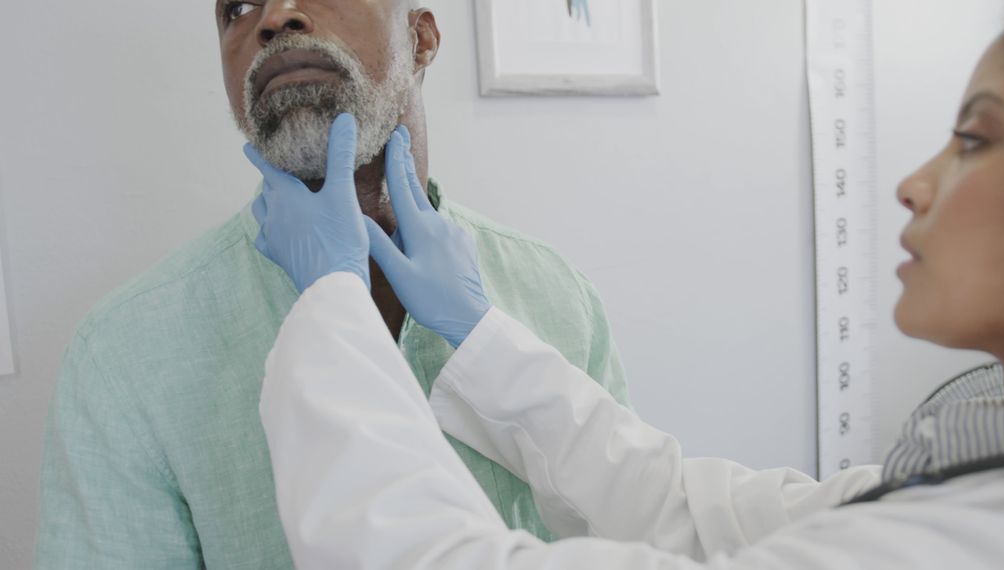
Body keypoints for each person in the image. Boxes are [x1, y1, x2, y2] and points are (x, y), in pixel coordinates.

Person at [254, 0, 1004, 567]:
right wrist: (478, 335)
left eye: (975, 138)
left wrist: (332, 304)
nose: (914, 183)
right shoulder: (969, 477)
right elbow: (687, 509)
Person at [34, 2, 630, 568]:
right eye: (237, 7)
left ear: (420, 39)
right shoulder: (125, 358)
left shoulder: (559, 299)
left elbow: (636, 534)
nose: (273, 17)